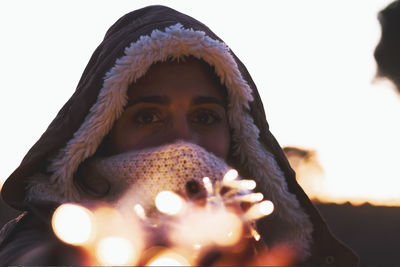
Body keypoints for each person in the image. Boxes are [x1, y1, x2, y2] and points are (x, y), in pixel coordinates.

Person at [0, 5, 358, 266]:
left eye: (205, 116)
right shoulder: (45, 241)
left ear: (238, 138)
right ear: (100, 135)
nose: (182, 140)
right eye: (148, 116)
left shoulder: (269, 253)